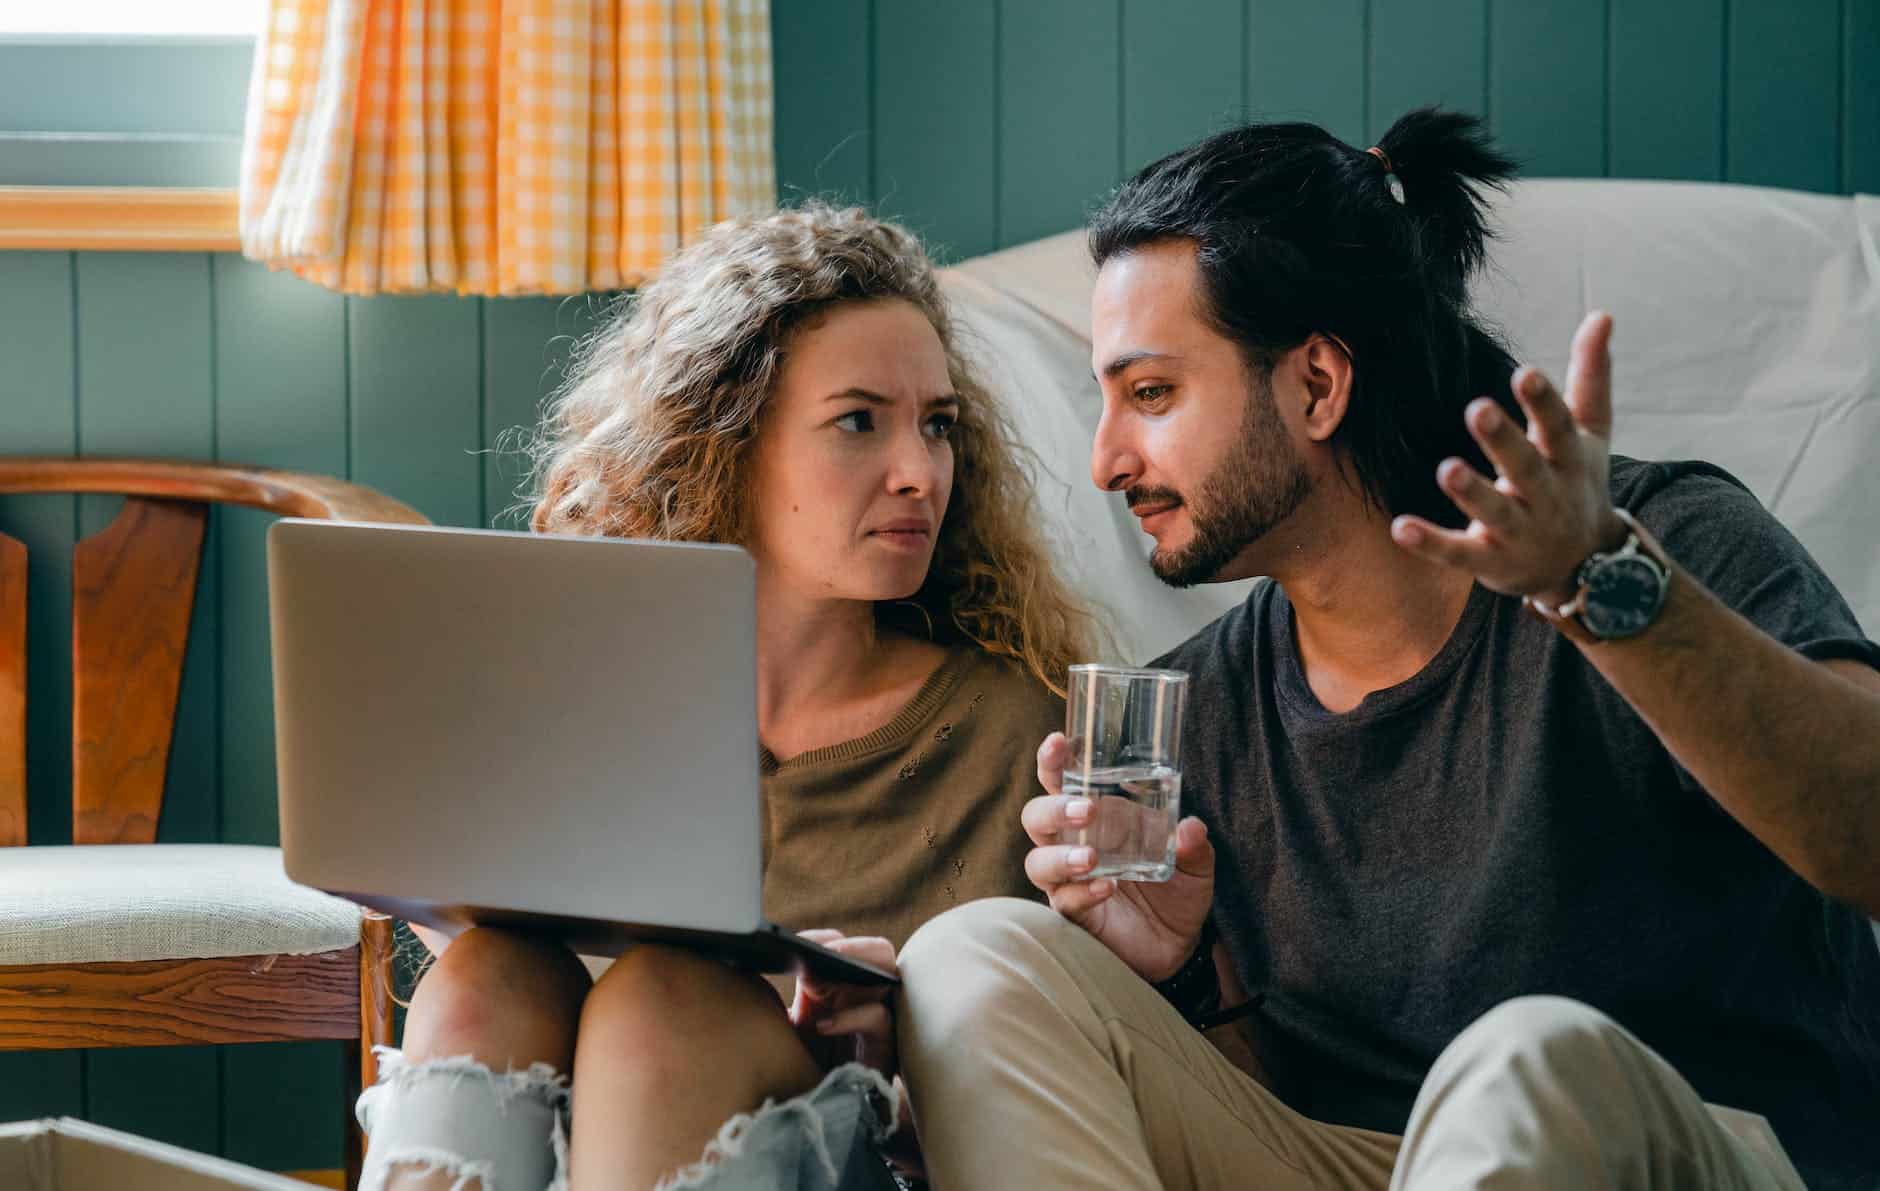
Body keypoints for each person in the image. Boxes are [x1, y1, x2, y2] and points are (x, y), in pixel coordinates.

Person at [894, 109, 1880, 1190]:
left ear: (1316, 383)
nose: (1104, 460)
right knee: (970, 956)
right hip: (1374, 1168)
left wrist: (1603, 592)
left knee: (1521, 1062)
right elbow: (1264, 1126)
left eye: (1150, 393)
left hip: (1670, 1148)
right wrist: (1175, 975)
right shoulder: (1203, 711)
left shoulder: (1650, 547)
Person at [352, 204, 1095, 1191]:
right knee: (485, 972)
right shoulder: (587, 698)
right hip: (586, 1132)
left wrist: (890, 1022)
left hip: (878, 1159)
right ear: (725, 440)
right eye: (857, 423)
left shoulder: (1019, 726)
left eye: (938, 427)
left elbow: (1067, 1078)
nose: (919, 473)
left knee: (666, 1002)